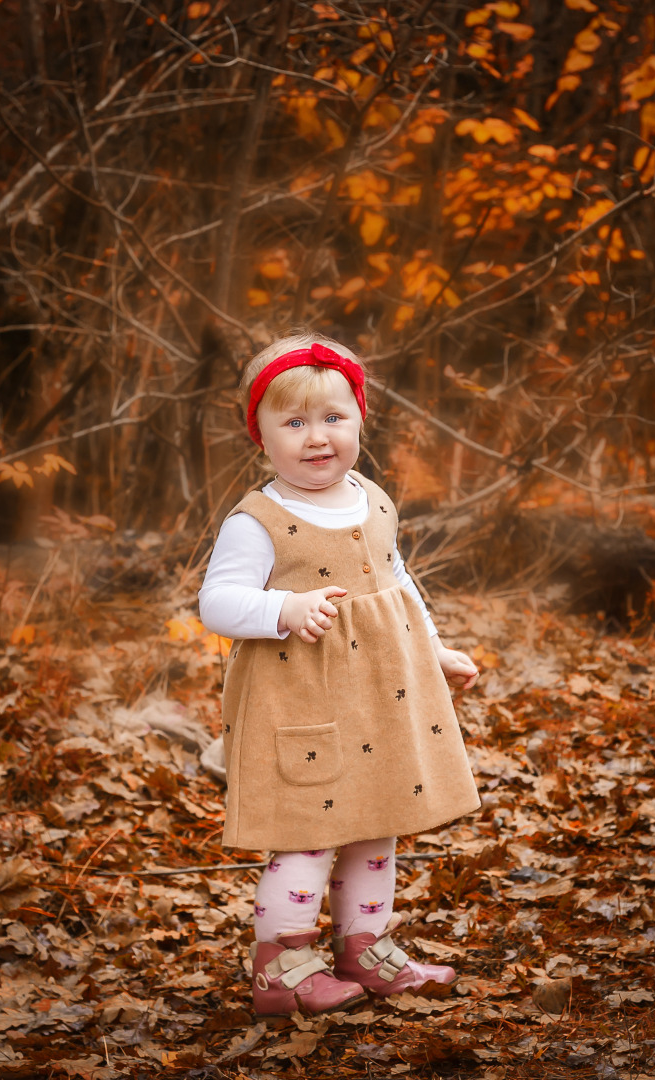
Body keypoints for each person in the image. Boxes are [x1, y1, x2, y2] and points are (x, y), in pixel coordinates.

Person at [199, 330, 481, 1017]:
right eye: (293, 422)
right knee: (306, 829)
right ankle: (283, 965)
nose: (316, 436)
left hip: (377, 699)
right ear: (259, 434)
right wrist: (283, 607)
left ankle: (366, 946)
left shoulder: (371, 498)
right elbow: (217, 602)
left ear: (358, 420)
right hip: (300, 703)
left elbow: (399, 585)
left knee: (375, 822)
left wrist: (434, 651)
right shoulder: (257, 520)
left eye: (332, 418)